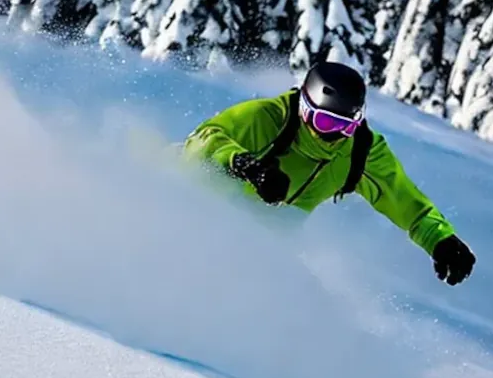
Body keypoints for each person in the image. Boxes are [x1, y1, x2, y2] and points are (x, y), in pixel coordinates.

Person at [182, 60, 476, 286]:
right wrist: (247, 166)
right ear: (305, 108)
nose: (335, 135)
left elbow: (403, 199)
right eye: (324, 122)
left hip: (258, 250)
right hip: (193, 209)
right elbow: (203, 139)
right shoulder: (272, 119)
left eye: (346, 125)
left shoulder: (359, 151)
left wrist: (441, 240)